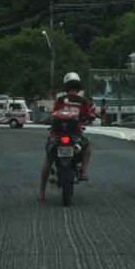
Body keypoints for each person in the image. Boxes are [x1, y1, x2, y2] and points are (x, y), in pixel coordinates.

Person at [38, 72, 95, 202]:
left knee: (48, 160)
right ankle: (84, 171)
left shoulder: (60, 100)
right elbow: (89, 115)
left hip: (57, 135)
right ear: (78, 86)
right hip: (75, 135)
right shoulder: (82, 101)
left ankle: (42, 191)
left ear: (66, 86)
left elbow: (53, 114)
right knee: (89, 146)